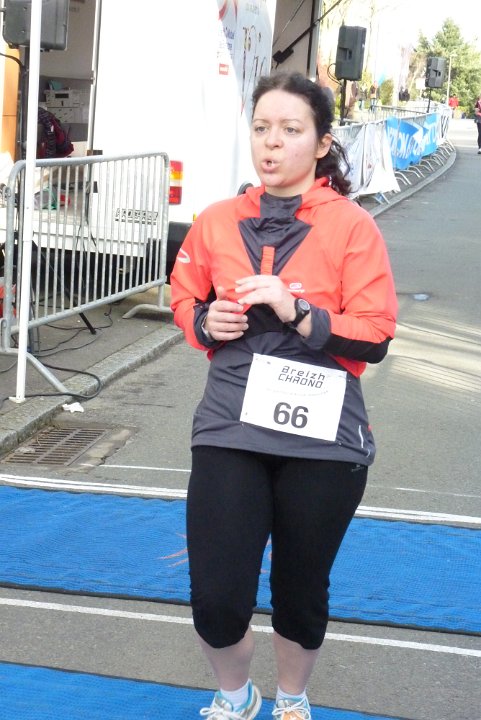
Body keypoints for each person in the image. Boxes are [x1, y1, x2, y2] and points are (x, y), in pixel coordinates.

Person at [170, 71, 398, 720]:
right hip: (230, 426)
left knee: (300, 590)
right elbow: (184, 298)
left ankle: (292, 699)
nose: (271, 143)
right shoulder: (217, 220)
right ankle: (235, 694)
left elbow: (375, 335)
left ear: (322, 143)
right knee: (216, 596)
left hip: (324, 436)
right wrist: (203, 321)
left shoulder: (352, 226)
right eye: (261, 128)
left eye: (290, 130)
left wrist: (298, 312)